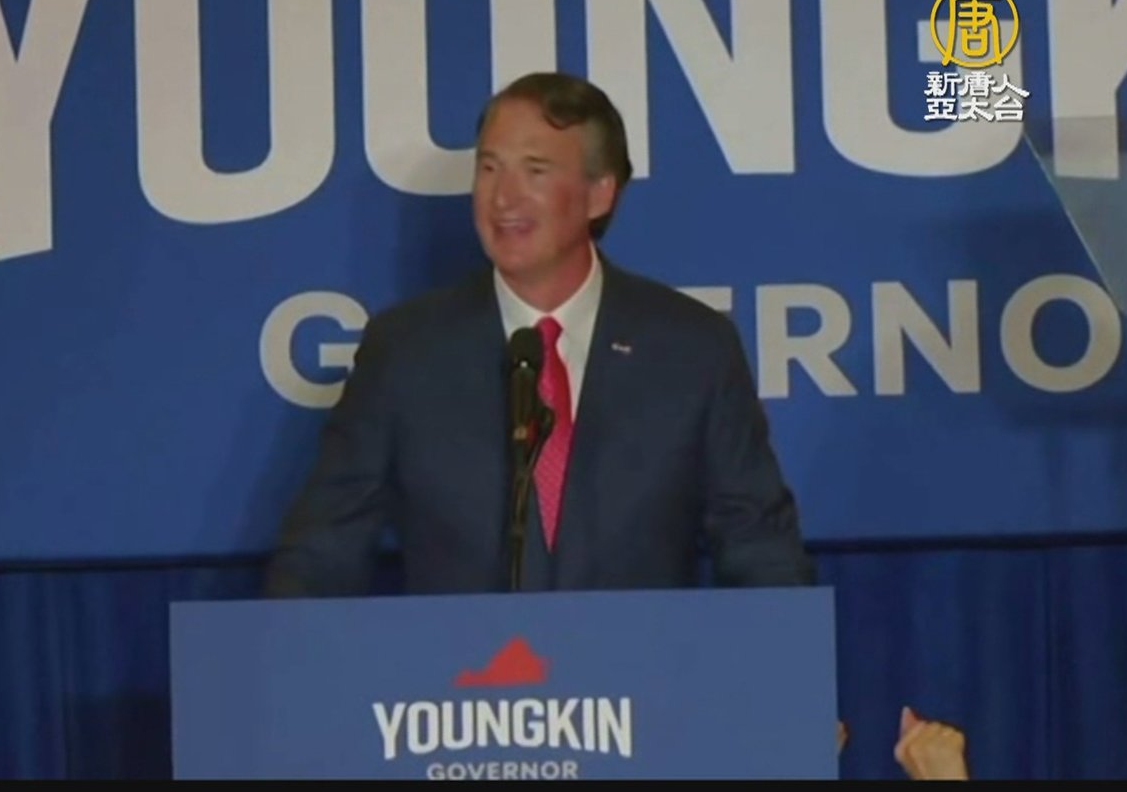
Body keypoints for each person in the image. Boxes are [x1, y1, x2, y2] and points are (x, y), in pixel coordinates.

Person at [263, 71, 814, 597]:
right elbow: (321, 553)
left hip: (643, 661)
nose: (503, 198)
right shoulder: (405, 352)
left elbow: (761, 549)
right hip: (458, 664)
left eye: (535, 170)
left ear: (600, 193)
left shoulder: (691, 349)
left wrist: (787, 651)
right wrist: (279, 649)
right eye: (489, 168)